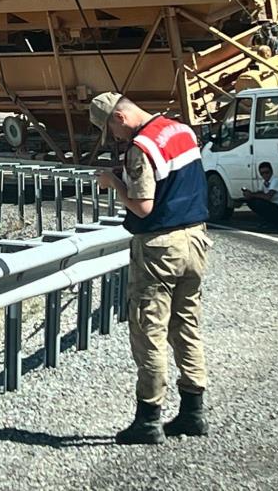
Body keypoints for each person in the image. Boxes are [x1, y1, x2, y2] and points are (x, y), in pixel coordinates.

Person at [90, 92, 212, 445]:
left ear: (119, 118)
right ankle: (193, 410)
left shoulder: (139, 148)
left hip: (160, 248)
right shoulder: (181, 130)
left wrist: (115, 184)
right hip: (195, 240)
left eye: (112, 132)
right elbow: (174, 181)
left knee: (149, 330)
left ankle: (148, 418)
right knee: (187, 324)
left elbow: (143, 206)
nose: (116, 140)